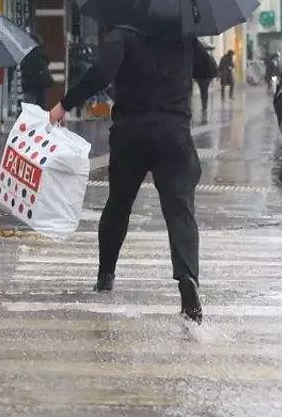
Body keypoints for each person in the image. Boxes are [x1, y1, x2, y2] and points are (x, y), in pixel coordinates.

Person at [49, 28, 218, 322]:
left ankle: (106, 275)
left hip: (131, 135)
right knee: (180, 209)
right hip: (173, 135)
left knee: (119, 204)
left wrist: (65, 104)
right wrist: (188, 44)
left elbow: (100, 74)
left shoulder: (124, 34)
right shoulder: (182, 35)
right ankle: (187, 277)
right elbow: (209, 69)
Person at [19, 33, 52, 108]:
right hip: (39, 87)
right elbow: (44, 70)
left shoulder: (26, 54)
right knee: (39, 106)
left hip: (29, 86)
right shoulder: (40, 54)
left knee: (29, 106)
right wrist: (49, 81)